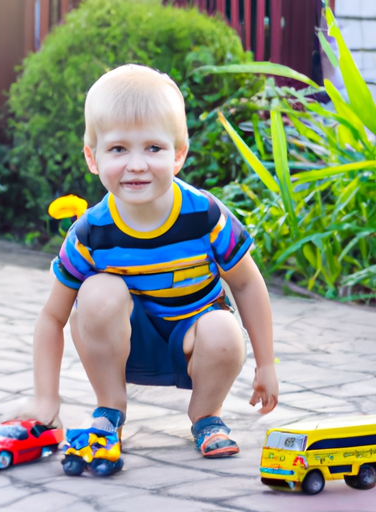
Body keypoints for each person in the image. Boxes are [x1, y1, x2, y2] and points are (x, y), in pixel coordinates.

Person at [30, 64, 278, 477]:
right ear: (93, 158)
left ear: (178, 154)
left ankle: (205, 415)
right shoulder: (91, 233)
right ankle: (110, 411)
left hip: (193, 343)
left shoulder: (204, 216)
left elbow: (248, 283)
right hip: (122, 347)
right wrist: (45, 402)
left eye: (153, 148)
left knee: (223, 329)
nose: (137, 165)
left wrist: (266, 363)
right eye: (118, 149)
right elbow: (51, 317)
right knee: (95, 293)